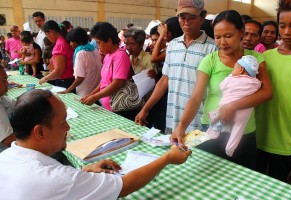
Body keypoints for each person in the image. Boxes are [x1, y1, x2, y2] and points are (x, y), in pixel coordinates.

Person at [0, 89, 191, 199]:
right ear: (40, 131)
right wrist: (167, 158)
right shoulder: (58, 179)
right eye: (63, 123)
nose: (68, 128)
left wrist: (84, 171)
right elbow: (124, 186)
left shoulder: (6, 157)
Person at [171, 10, 272, 170]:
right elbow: (196, 97)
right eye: (218, 37)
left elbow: (266, 92)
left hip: (243, 133)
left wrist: (232, 107)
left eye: (228, 36)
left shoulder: (254, 59)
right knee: (210, 179)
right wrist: (181, 126)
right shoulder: (209, 61)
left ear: (241, 33)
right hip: (212, 130)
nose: (222, 42)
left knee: (243, 179)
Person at [135, 0, 217, 134]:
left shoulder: (213, 48)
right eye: (182, 18)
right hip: (173, 117)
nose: (186, 22)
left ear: (202, 18)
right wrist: (146, 109)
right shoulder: (173, 45)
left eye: (192, 18)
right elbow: (164, 81)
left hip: (199, 121)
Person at [255, 0, 291, 182]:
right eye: (283, 26)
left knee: (277, 186)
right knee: (252, 184)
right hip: (257, 136)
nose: (287, 32)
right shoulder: (265, 57)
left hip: (286, 139)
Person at [206, 55, 261, 157]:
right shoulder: (255, 83)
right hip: (244, 113)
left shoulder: (231, 80)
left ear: (241, 69)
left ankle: (214, 131)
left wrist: (229, 77)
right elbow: (257, 90)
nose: (232, 70)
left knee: (216, 117)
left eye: (234, 67)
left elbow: (222, 86)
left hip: (226, 109)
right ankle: (230, 148)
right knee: (238, 131)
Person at [80, 22, 131, 113]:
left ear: (109, 40)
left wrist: (95, 97)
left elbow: (117, 83)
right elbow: (104, 82)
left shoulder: (120, 56)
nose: (98, 47)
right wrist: (90, 95)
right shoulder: (107, 56)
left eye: (99, 43)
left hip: (117, 106)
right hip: (107, 105)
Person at [59, 27, 101, 97]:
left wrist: (68, 90)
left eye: (72, 41)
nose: (70, 44)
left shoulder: (81, 53)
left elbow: (80, 78)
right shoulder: (94, 50)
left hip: (85, 92)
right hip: (96, 91)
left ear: (80, 42)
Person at [39, 20, 74, 88]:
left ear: (51, 32)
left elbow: (59, 71)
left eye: (46, 34)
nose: (47, 37)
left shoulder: (60, 45)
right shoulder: (64, 40)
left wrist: (45, 79)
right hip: (70, 79)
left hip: (65, 81)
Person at [0, 65, 15, 150]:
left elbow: (18, 105)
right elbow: (10, 141)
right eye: (3, 80)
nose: (7, 84)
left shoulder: (2, 98)